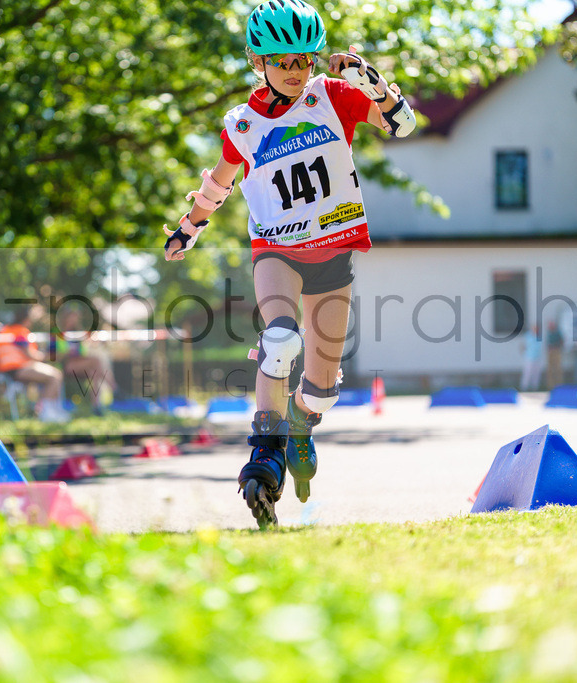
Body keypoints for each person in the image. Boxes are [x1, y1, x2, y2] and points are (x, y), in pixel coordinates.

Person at [163, 0, 417, 528]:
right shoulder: (243, 125)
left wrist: (375, 84)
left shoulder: (334, 96)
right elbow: (219, 185)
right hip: (277, 250)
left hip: (335, 250)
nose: (297, 72)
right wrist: (190, 227)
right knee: (280, 339)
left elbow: (404, 125)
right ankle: (265, 450)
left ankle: (301, 422)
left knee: (323, 390)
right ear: (259, 61)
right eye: (284, 62)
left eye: (304, 60)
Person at [0, 307, 70, 422]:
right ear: (26, 319)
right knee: (55, 376)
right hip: (18, 368)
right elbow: (32, 355)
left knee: (53, 375)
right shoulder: (20, 332)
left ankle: (49, 411)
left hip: (7, 369)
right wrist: (53, 356)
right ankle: (46, 413)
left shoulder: (6, 330)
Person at [49, 306, 117, 413]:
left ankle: (96, 406)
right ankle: (114, 389)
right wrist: (66, 353)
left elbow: (83, 353)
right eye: (72, 317)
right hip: (66, 365)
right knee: (96, 362)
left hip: (79, 363)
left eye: (76, 317)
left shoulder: (78, 333)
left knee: (94, 372)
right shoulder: (57, 333)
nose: (74, 319)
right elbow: (53, 356)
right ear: (65, 318)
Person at [520, 324, 544, 392]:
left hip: (537, 357)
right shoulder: (528, 336)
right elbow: (523, 346)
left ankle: (535, 387)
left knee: (536, 373)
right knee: (527, 372)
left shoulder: (539, 337)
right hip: (529, 357)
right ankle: (524, 387)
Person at [544, 319, 564, 389]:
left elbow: (562, 341)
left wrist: (555, 346)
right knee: (550, 369)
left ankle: (559, 384)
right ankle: (550, 385)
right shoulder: (549, 333)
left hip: (556, 351)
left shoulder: (557, 332)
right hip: (550, 352)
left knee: (557, 368)